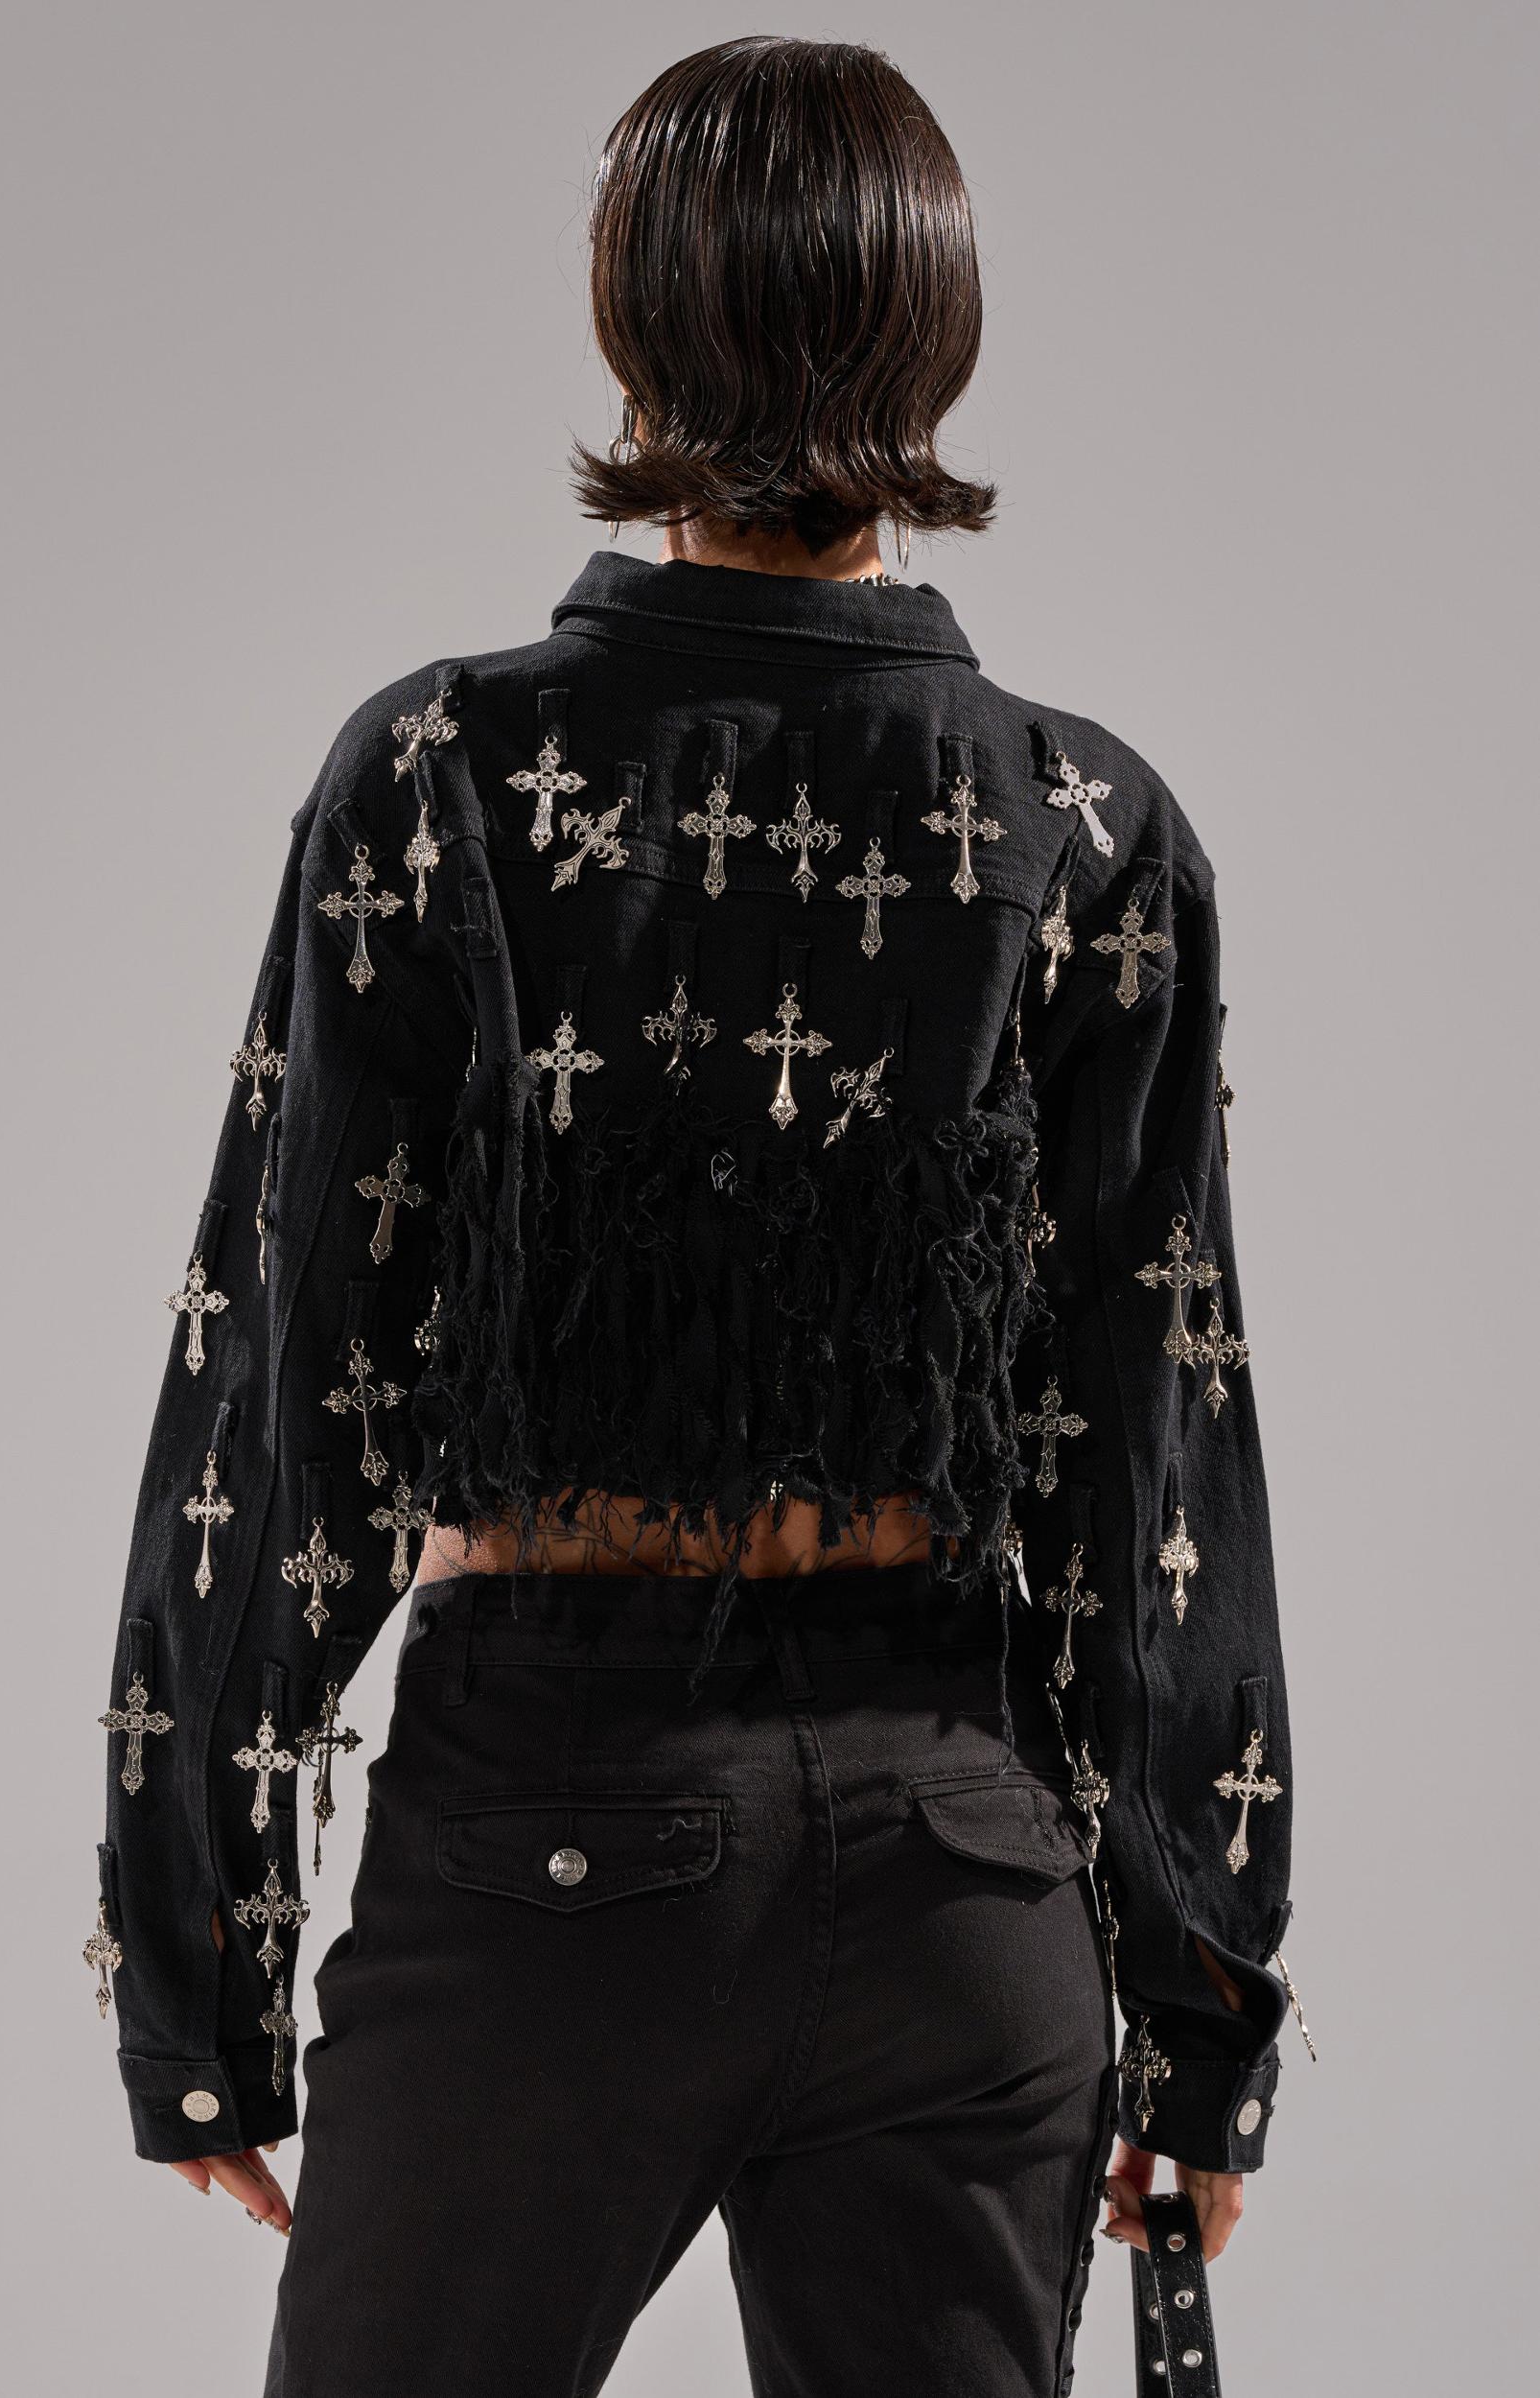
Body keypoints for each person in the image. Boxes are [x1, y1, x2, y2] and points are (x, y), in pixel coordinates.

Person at [90, 36, 1298, 2398]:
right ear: (938, 334)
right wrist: (1198, 2011)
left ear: (629, 327)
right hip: (967, 1869)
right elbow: (1153, 1461)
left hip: (548, 1832)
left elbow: (285, 1385)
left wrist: (195, 1965)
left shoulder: (441, 775)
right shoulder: (1083, 824)